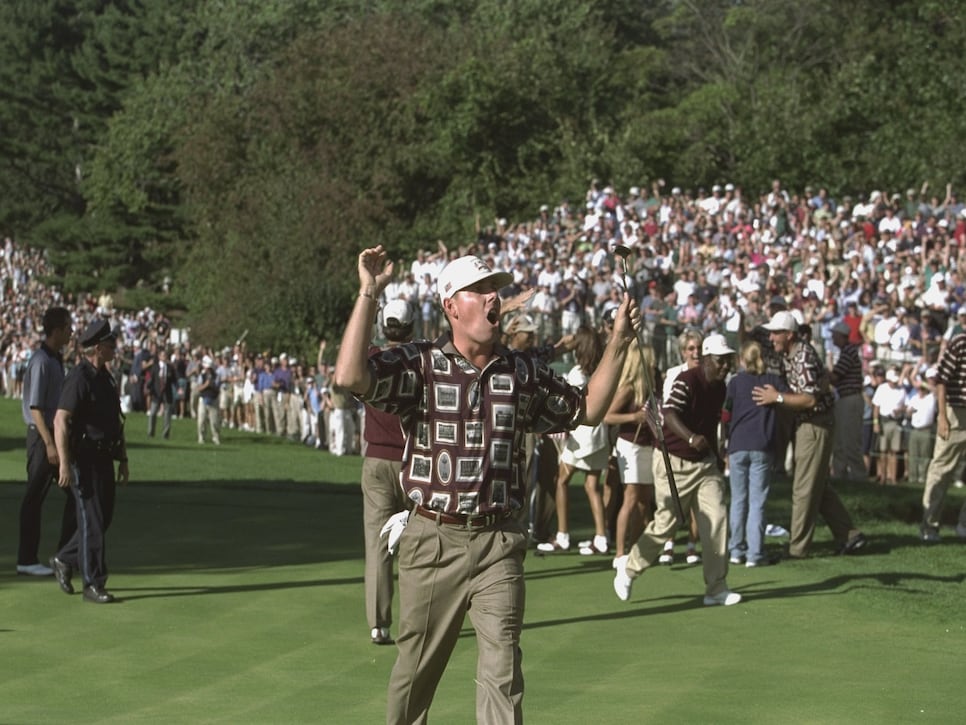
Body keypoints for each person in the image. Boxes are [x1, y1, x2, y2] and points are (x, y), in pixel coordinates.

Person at [334, 248, 637, 724]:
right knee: (415, 675)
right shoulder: (421, 364)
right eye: (479, 289)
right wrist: (369, 292)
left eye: (495, 288)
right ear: (452, 306)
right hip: (433, 541)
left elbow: (589, 410)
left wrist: (618, 340)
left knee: (502, 673)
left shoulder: (520, 373)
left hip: (499, 542)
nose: (493, 297)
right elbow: (350, 376)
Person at [613, 334, 741, 606]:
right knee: (665, 523)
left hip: (704, 464)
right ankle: (629, 569)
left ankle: (716, 588)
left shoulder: (720, 387)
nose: (725, 366)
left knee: (717, 519)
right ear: (707, 359)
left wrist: (716, 454)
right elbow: (669, 414)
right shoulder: (687, 381)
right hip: (674, 459)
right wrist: (692, 438)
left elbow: (712, 423)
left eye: (728, 360)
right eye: (720, 361)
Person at [752, 311, 867, 558]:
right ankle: (850, 535)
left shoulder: (802, 356)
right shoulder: (792, 353)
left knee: (803, 489)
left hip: (814, 424)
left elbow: (809, 399)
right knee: (817, 486)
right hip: (812, 424)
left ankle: (797, 549)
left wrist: (777, 398)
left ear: (789, 334)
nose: (771, 337)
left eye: (775, 333)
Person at [50, 318, 129, 604]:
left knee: (103, 517)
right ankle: (93, 583)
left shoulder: (105, 377)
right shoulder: (79, 378)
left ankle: (63, 558)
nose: (114, 348)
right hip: (83, 458)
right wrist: (62, 462)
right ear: (97, 348)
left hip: (104, 456)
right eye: (110, 344)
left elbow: (114, 421)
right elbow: (61, 420)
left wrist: (123, 458)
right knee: (93, 520)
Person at [359, 300, 412, 645]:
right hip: (411, 462)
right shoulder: (419, 361)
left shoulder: (373, 358)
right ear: (408, 329)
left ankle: (379, 624)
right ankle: (416, 620)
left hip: (377, 462)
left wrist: (369, 300)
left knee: (379, 545)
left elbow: (356, 343)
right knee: (414, 546)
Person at [537, 326, 610, 555]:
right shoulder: (600, 370)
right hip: (600, 434)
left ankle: (563, 536)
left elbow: (568, 405)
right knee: (591, 487)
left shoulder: (578, 374)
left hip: (583, 436)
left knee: (561, 481)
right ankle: (600, 538)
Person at [17, 306, 76, 576]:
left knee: (76, 494)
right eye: (67, 327)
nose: (71, 331)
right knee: (34, 498)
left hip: (52, 437)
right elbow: (36, 408)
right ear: (56, 330)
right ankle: (26, 559)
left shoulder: (54, 359)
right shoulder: (41, 360)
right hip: (43, 438)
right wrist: (51, 444)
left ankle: (65, 555)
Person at [722, 341, 788, 567]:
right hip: (761, 444)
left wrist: (724, 440)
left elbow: (726, 413)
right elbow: (787, 400)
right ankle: (755, 553)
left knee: (739, 500)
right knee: (757, 501)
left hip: (738, 443)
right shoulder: (773, 382)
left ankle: (736, 549)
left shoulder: (736, 382)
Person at [604, 342, 657, 565]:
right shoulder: (628, 388)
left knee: (644, 500)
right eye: (650, 361)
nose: (654, 365)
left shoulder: (651, 387)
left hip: (646, 445)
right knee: (631, 497)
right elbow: (607, 416)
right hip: (630, 446)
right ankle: (619, 553)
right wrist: (633, 418)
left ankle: (634, 548)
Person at [920, 332, 966, 542]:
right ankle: (929, 526)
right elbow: (941, 380)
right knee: (941, 469)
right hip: (955, 411)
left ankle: (964, 525)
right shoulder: (959, 342)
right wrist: (942, 416)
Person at [828, 321, 866, 480]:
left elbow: (835, 377)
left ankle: (858, 475)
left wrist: (821, 371)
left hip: (849, 399)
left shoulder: (849, 352)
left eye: (834, 335)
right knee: (841, 440)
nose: (832, 338)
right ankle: (840, 473)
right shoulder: (848, 351)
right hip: (846, 398)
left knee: (849, 440)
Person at [871, 366, 907, 486]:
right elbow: (876, 406)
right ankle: (883, 477)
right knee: (883, 451)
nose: (894, 383)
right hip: (884, 421)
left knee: (894, 451)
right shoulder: (882, 388)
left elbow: (906, 406)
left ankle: (893, 478)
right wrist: (876, 423)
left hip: (896, 422)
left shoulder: (902, 390)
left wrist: (900, 410)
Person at [147, 347, 176, 439]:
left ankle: (165, 434)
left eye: (166, 356)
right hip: (156, 393)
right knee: (152, 413)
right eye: (163, 355)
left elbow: (174, 380)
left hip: (167, 393)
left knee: (167, 415)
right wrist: (149, 388)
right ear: (159, 357)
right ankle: (151, 432)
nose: (164, 357)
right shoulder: (155, 367)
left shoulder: (170, 368)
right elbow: (151, 379)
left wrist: (178, 388)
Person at [196, 355, 221, 444]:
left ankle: (215, 437)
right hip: (203, 399)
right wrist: (206, 385)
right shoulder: (201, 376)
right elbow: (198, 388)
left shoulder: (216, 376)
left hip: (213, 400)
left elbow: (218, 388)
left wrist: (212, 385)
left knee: (214, 421)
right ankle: (201, 437)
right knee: (201, 420)